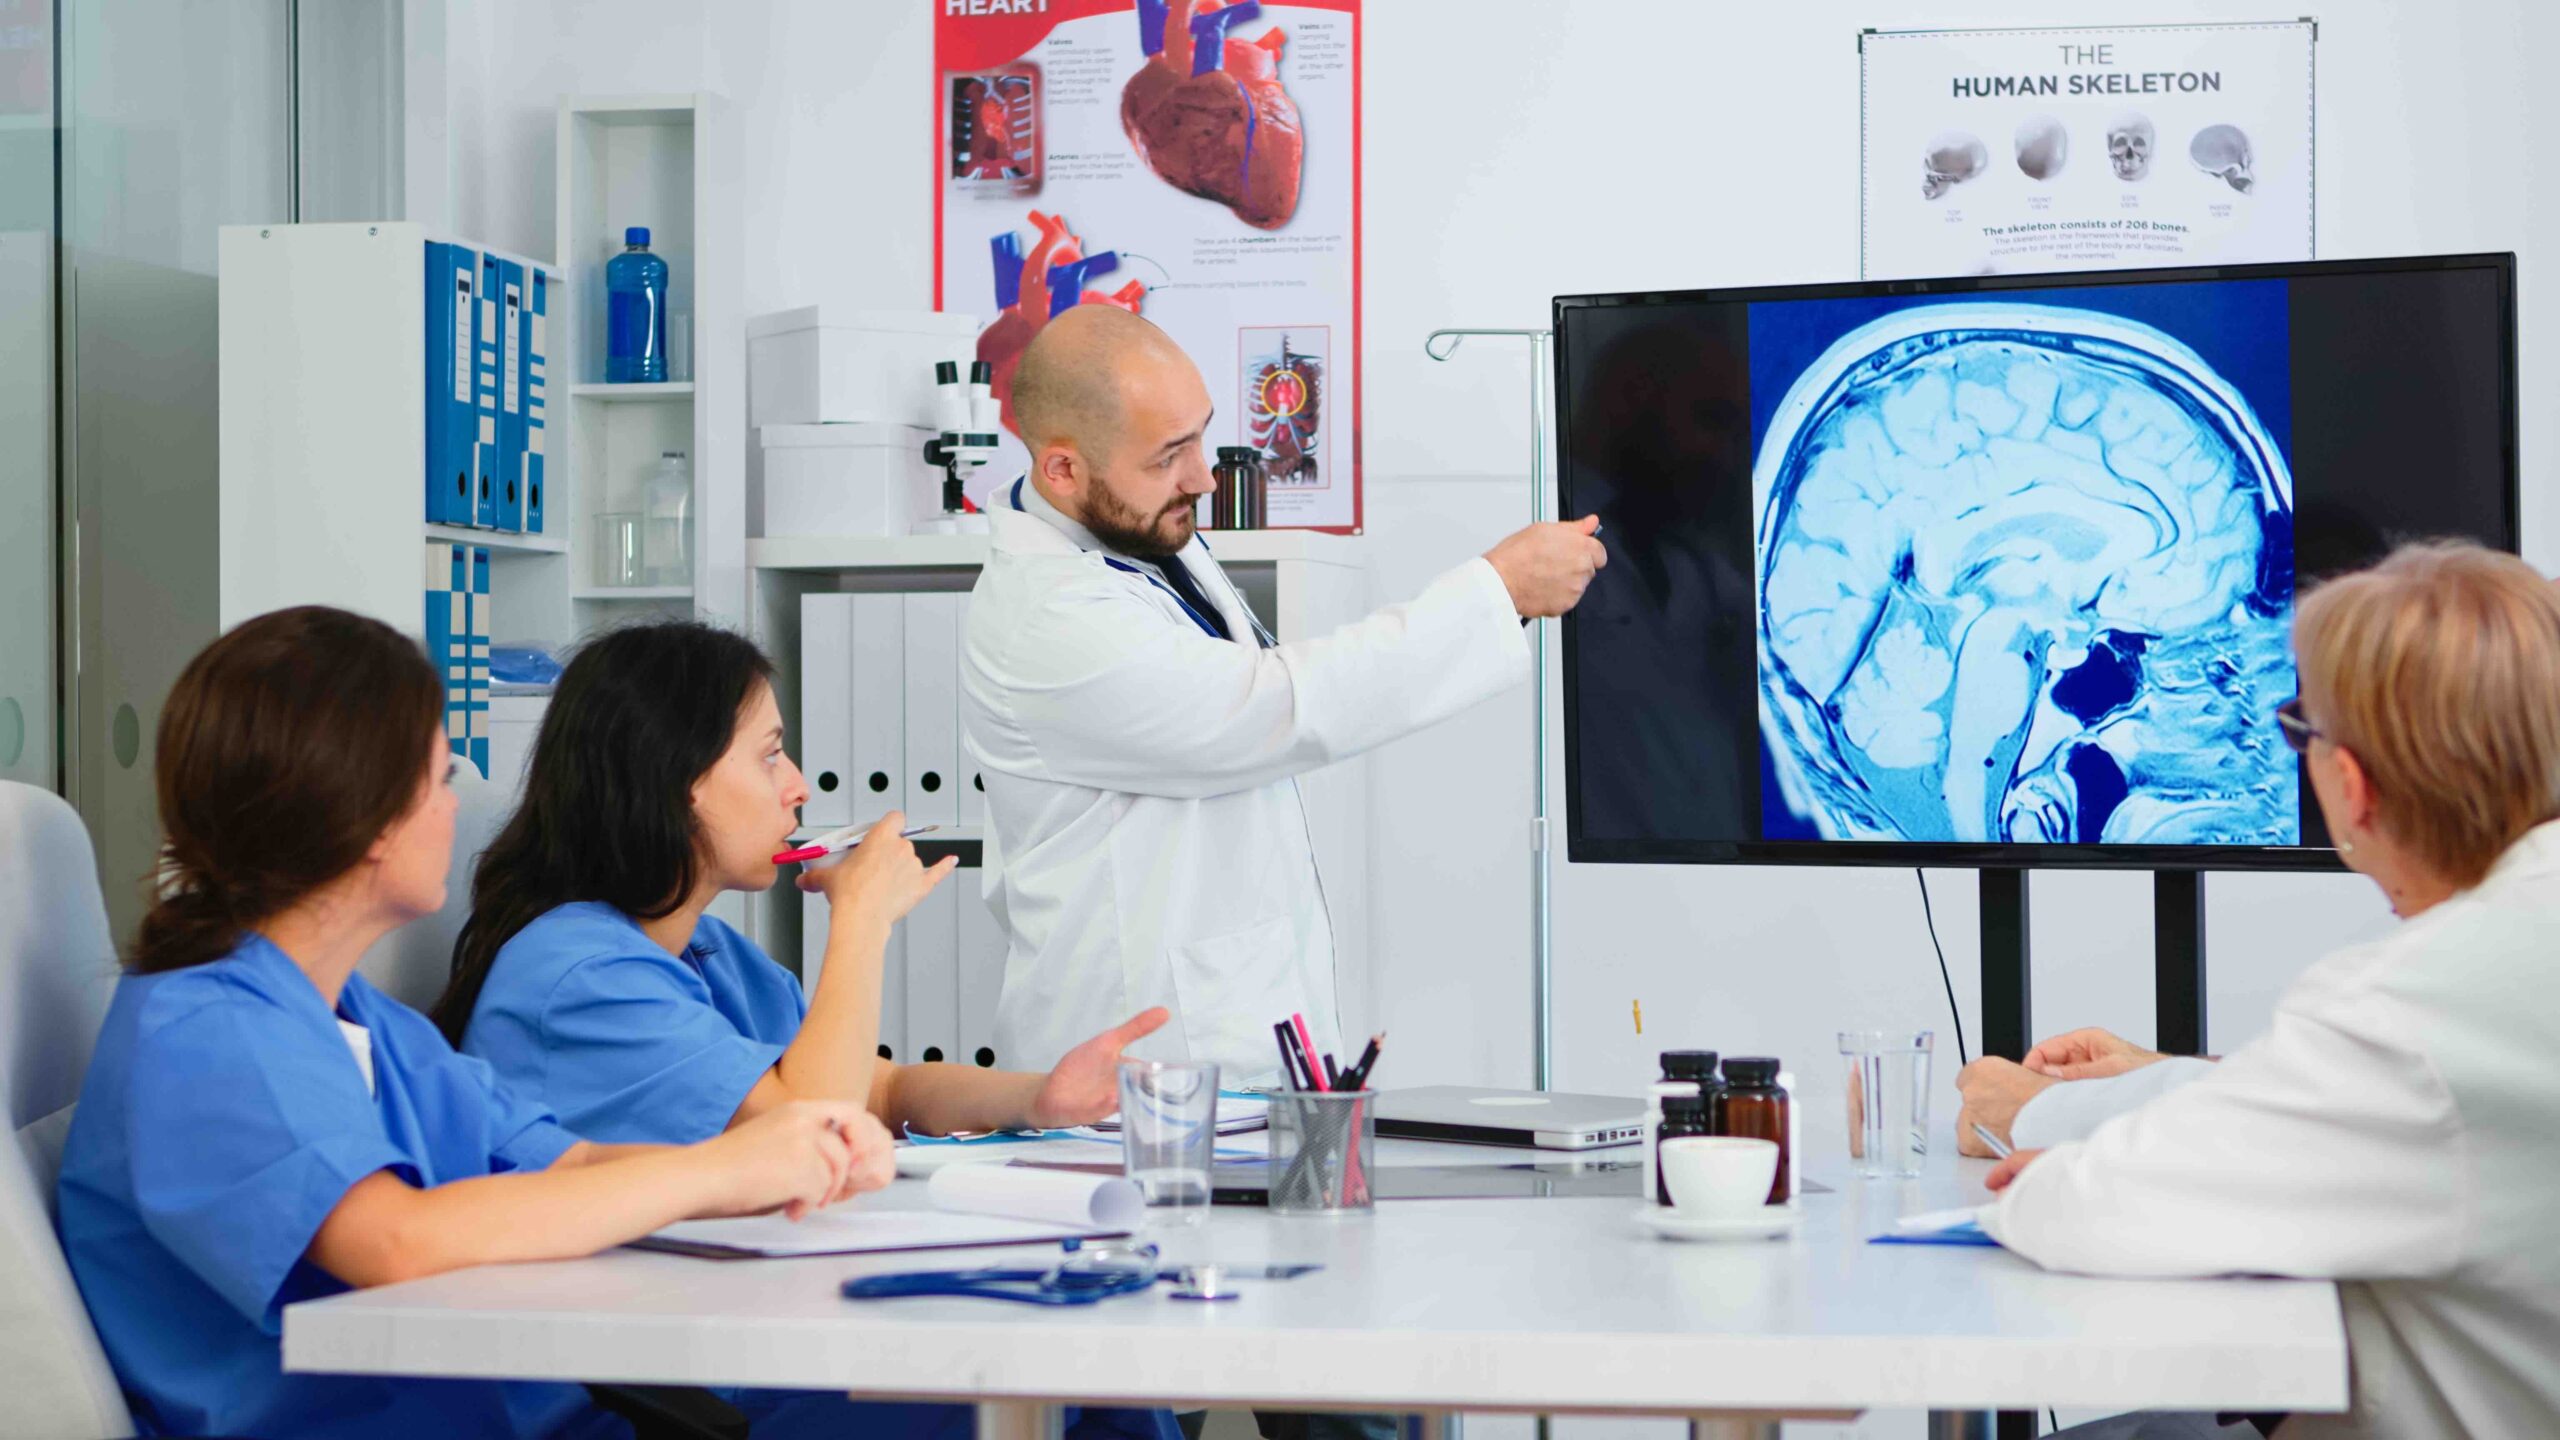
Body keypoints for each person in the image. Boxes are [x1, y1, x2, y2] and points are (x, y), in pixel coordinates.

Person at [55, 607, 892, 1440]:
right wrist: (719, 1174)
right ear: (367, 812)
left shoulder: (370, 1029)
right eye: (442, 779)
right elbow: (395, 1241)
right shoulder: (207, 1033)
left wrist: (785, 1158)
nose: (456, 812)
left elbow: (574, 1160)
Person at [432, 621, 1182, 1440]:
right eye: (770, 755)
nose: (797, 786)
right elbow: (813, 1121)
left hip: (750, 1319)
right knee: (1026, 1380)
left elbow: (882, 1086)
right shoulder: (575, 974)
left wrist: (1040, 1095)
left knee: (1107, 1374)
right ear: (678, 778)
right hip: (646, 1378)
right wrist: (861, 918)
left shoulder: (712, 952)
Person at [1978, 541, 2560, 1439]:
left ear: (2351, 785)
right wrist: (2171, 1077)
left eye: (2303, 732)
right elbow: (2405, 1115)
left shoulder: (2417, 1003)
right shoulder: (2497, 962)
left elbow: (2091, 1210)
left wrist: (2038, 1128)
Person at [963, 304, 1608, 1078]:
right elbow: (1276, 707)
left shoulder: (1134, 541)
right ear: (1062, 469)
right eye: (1169, 455)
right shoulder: (1049, 619)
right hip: (1134, 1065)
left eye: (1199, 434)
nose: (1203, 476)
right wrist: (1496, 593)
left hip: (1222, 1032)